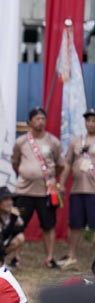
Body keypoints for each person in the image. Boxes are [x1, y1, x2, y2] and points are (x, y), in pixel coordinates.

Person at [11, 106, 64, 269]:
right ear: (29, 122)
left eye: (43, 119)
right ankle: (16, 257)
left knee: (48, 225)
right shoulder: (21, 142)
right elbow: (15, 162)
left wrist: (51, 179)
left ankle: (49, 258)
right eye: (37, 119)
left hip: (45, 192)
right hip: (24, 191)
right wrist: (27, 173)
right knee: (18, 224)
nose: (40, 122)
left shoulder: (53, 141)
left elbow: (60, 165)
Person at [58, 107, 95, 269]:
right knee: (75, 224)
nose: (91, 123)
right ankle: (71, 255)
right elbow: (67, 164)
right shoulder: (76, 141)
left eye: (94, 121)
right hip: (77, 189)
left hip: (94, 190)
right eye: (88, 120)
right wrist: (61, 184)